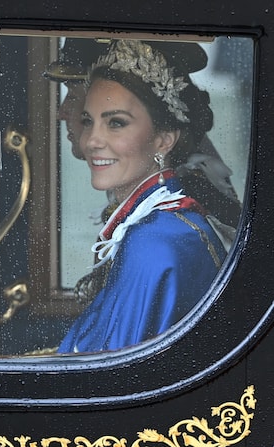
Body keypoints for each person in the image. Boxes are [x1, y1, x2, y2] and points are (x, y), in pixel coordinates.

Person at [57, 39, 239, 354]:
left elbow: (109, 380)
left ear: (163, 140)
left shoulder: (153, 242)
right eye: (88, 121)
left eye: (116, 123)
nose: (92, 140)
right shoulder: (159, 224)